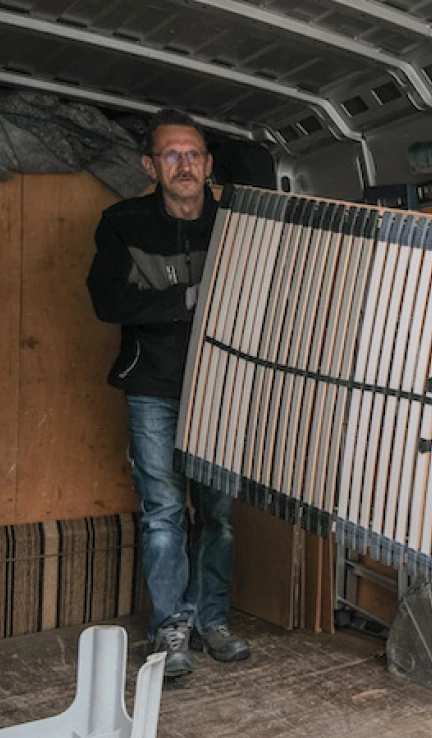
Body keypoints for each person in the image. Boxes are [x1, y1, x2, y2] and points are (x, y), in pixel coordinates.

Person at [86, 109, 249, 678]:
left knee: (219, 516)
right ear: (150, 166)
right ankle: (170, 626)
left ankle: (212, 620)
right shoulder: (123, 223)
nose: (185, 165)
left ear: (208, 164)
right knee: (162, 514)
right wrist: (186, 303)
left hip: (222, 390)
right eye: (172, 155)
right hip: (152, 387)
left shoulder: (237, 222)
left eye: (194, 154)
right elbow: (109, 303)